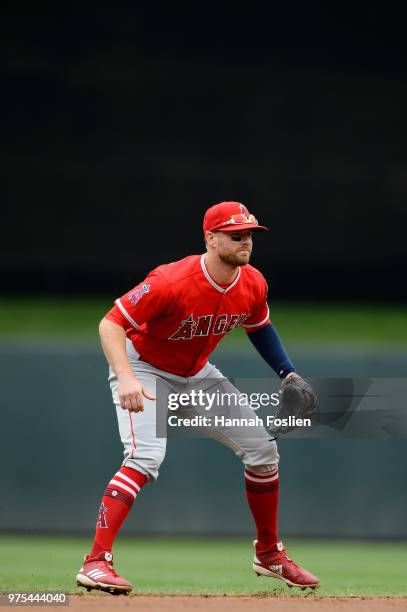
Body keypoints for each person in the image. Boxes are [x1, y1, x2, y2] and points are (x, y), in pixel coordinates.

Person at [76, 201, 319, 594]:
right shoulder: (171, 281)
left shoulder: (253, 282)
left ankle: (269, 553)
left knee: (262, 451)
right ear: (210, 238)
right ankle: (95, 562)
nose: (245, 241)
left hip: (196, 376)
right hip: (145, 369)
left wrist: (287, 373)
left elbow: (260, 327)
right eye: (235, 234)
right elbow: (111, 323)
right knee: (145, 457)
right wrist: (125, 377)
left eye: (250, 235)